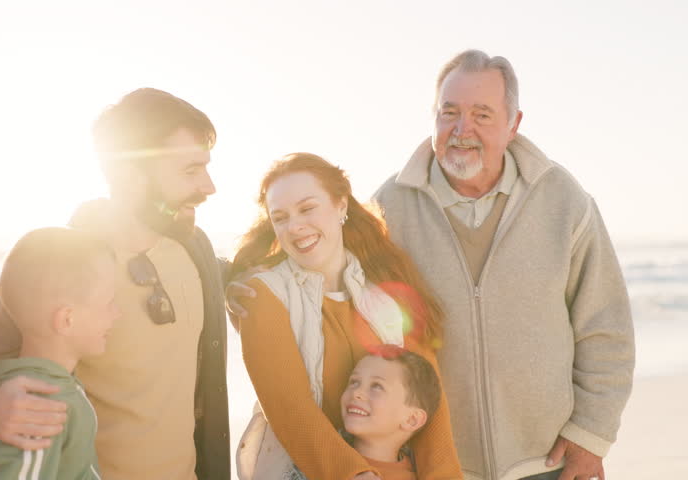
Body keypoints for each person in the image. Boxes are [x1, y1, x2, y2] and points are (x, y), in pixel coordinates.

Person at [371, 50, 634, 480]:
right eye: (449, 112)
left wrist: (591, 433)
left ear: (514, 124)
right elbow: (352, 320)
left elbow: (606, 326)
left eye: (482, 115)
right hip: (437, 464)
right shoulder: (389, 208)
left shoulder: (562, 199)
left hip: (549, 462)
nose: (462, 130)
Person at [0, 88, 230, 480]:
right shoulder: (62, 264)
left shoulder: (195, 250)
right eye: (190, 171)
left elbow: (234, 273)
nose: (208, 186)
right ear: (130, 174)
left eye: (205, 168)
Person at [231, 153, 462, 480]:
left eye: (307, 208)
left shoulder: (387, 291)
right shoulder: (263, 295)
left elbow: (428, 400)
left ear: (341, 206)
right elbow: (290, 410)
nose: (295, 226)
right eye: (280, 217)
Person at [0, 227, 119, 480]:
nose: (116, 314)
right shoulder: (37, 404)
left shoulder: (54, 387)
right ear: (67, 319)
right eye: (109, 303)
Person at [339, 347, 444, 480]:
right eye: (354, 382)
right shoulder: (321, 455)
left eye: (377, 386)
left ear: (411, 419)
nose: (356, 393)